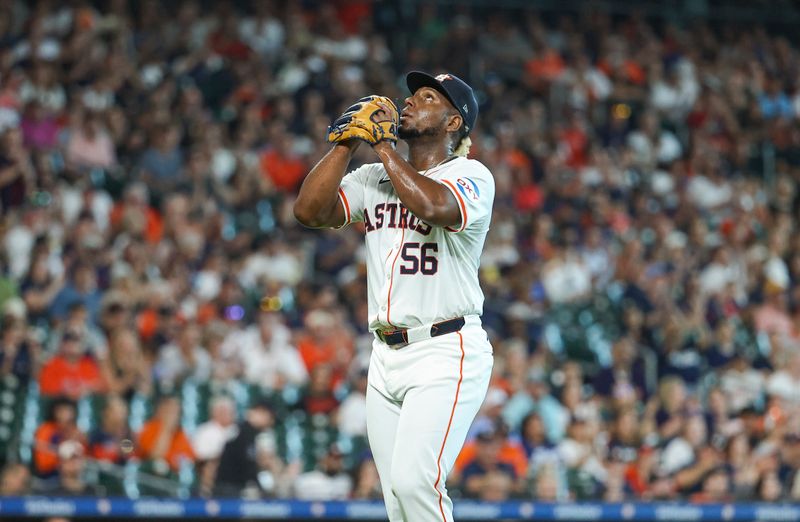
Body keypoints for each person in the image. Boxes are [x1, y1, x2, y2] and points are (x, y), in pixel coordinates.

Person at [294, 71, 494, 522]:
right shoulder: (372, 177)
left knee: (415, 482)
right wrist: (348, 143)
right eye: (412, 94)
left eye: (426, 97)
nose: (409, 101)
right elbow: (309, 212)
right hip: (385, 357)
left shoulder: (471, 175)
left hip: (446, 348)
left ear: (452, 124)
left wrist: (382, 147)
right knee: (397, 502)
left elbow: (436, 207)